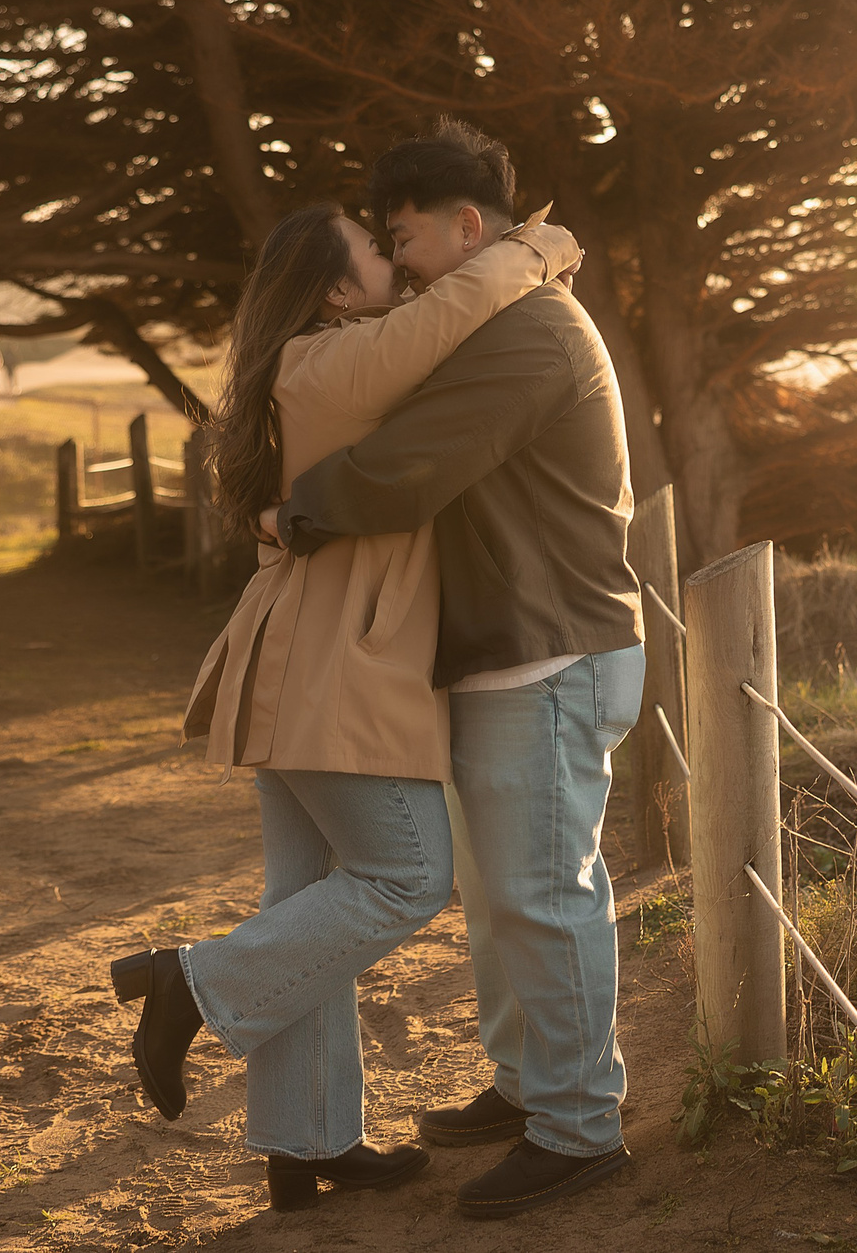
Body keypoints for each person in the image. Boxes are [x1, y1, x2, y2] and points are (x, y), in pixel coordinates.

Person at [107, 196, 580, 1214]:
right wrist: (537, 246)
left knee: (303, 900)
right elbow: (452, 310)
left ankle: (305, 1139)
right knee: (407, 875)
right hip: (330, 671)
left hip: (297, 662)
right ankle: (191, 983)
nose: (393, 263)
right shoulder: (332, 361)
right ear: (330, 288)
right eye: (374, 249)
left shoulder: (309, 365)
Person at [271, 119, 647, 1221]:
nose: (399, 266)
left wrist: (293, 511)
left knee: (543, 893)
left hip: (551, 650)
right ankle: (529, 1084)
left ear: (467, 228)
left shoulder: (530, 330)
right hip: (508, 651)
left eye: (404, 239)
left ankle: (579, 1126)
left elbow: (410, 464)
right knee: (500, 897)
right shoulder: (496, 318)